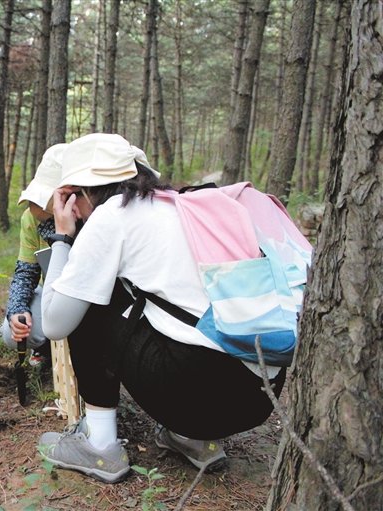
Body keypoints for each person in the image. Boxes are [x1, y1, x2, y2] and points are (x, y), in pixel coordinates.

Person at [37, 133, 287, 483]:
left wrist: (62, 238)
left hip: (196, 397)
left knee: (90, 297)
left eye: (67, 196)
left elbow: (54, 324)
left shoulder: (113, 215)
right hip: (260, 397)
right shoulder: (179, 204)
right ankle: (194, 441)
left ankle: (101, 444)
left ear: (81, 190)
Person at [0, 143, 67, 365]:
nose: (36, 216)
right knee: (12, 334)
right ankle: (45, 347)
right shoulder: (29, 218)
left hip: (90, 300)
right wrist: (17, 310)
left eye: (46, 217)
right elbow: (25, 273)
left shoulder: (95, 217)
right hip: (53, 293)